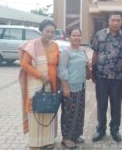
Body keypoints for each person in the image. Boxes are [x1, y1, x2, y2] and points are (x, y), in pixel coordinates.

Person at [18, 19, 59, 150]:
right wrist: (41, 75)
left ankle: (48, 140)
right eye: (47, 31)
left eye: (52, 32)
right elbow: (24, 64)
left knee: (49, 109)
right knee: (35, 109)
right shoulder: (32, 45)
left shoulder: (55, 45)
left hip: (51, 83)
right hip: (36, 83)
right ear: (41, 30)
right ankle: (35, 143)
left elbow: (57, 64)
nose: (50, 34)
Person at [91, 12, 122, 143]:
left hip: (117, 78)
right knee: (102, 105)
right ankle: (100, 130)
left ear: (121, 22)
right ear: (109, 21)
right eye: (113, 20)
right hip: (101, 76)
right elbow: (95, 53)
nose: (115, 23)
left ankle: (115, 130)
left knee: (116, 106)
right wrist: (92, 72)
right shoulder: (100, 34)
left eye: (118, 20)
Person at [58, 28, 91, 149]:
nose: (77, 37)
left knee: (78, 112)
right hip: (70, 87)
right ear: (69, 37)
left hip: (81, 86)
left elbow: (86, 65)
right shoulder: (66, 51)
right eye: (74, 35)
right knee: (68, 113)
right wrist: (65, 87)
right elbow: (62, 69)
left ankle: (75, 135)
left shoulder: (82, 50)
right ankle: (66, 138)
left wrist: (88, 67)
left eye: (78, 35)